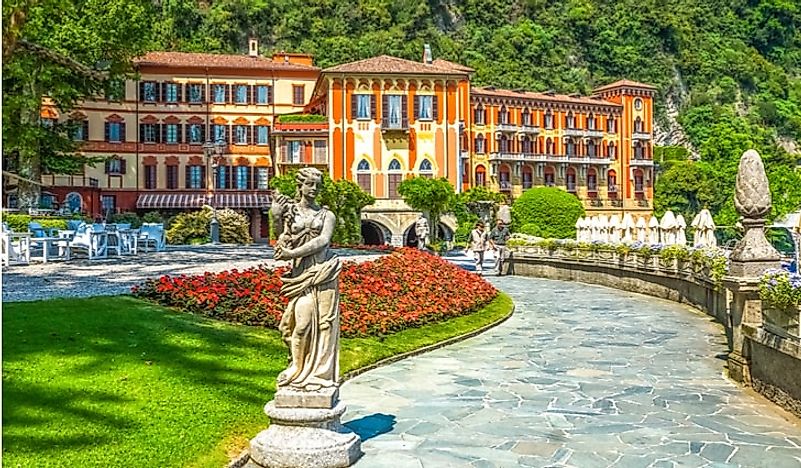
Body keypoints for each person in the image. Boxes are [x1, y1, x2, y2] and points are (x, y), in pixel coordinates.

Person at [271, 167, 341, 390]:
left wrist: (292, 254)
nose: (314, 189)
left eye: (317, 185)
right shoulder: (291, 213)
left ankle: (318, 374)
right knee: (297, 326)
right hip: (300, 276)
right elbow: (281, 241)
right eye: (310, 184)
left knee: (324, 325)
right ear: (299, 186)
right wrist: (275, 215)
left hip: (323, 272)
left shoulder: (327, 215)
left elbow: (323, 241)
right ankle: (297, 367)